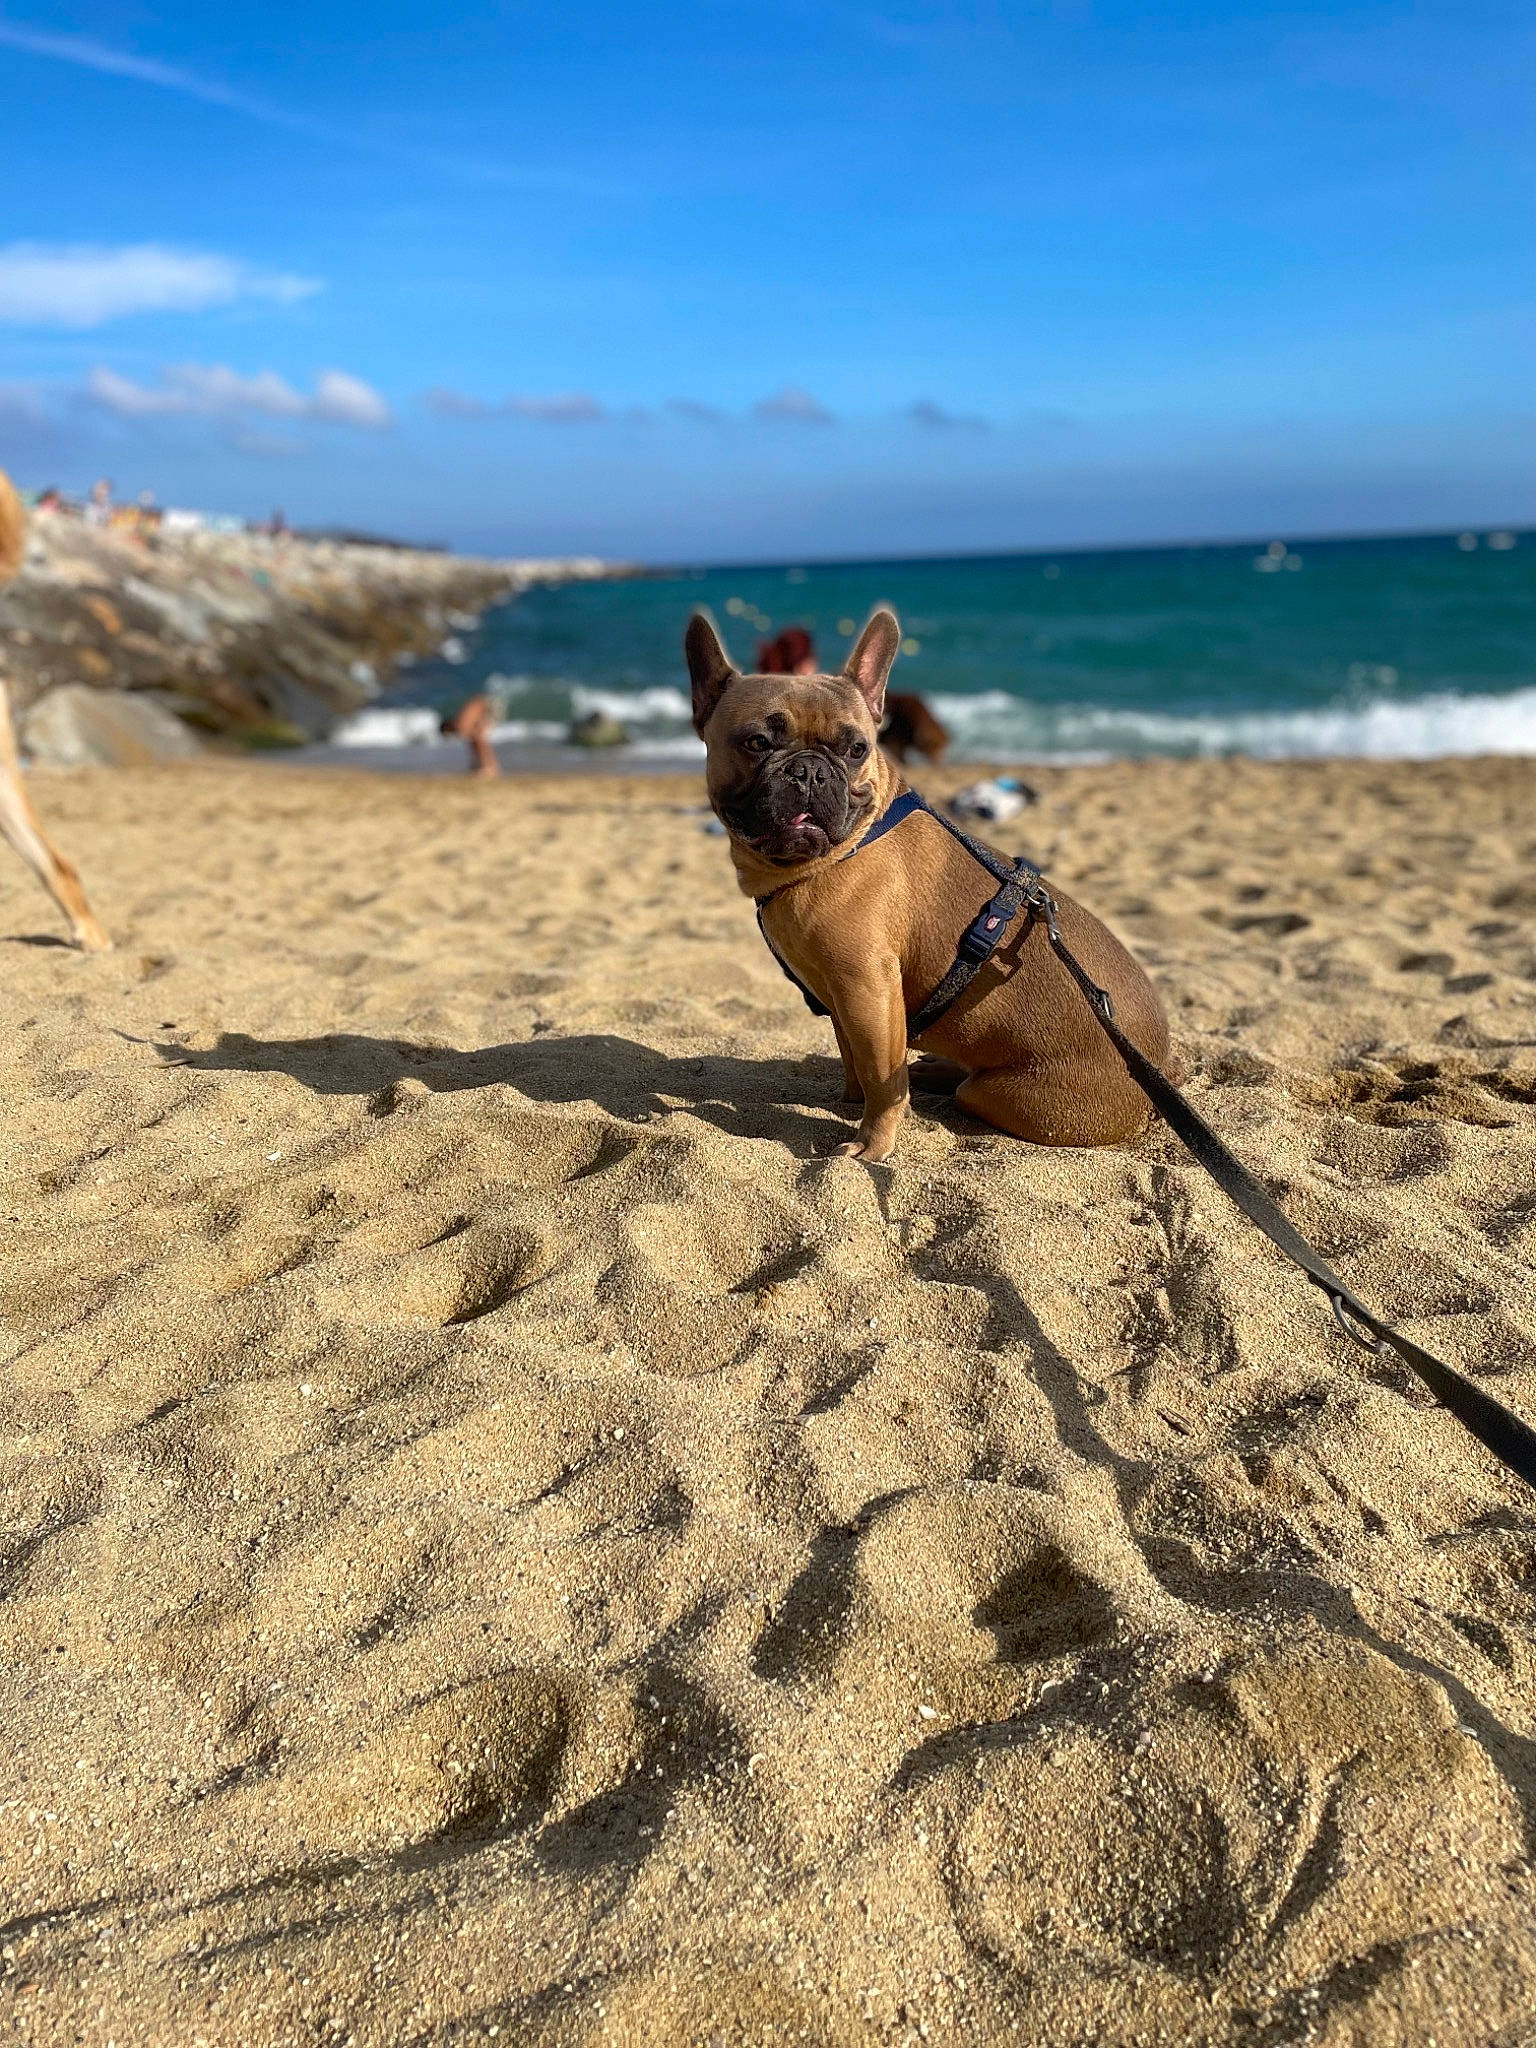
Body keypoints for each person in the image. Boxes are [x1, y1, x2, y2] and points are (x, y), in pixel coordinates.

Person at [441, 694, 500, 778]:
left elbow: (477, 740)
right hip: (486, 704)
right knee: (477, 738)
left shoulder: (460, 725)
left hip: (490, 706)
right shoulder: (460, 720)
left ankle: (489, 767)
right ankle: (486, 766)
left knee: (479, 739)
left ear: (448, 729)